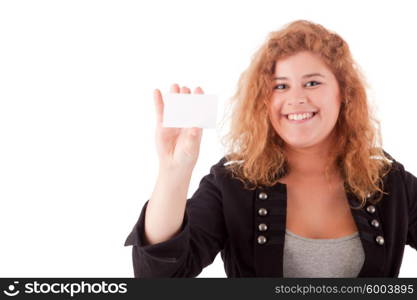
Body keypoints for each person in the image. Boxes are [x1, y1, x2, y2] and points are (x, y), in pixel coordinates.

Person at [124, 20, 417, 277]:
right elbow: (158, 277)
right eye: (280, 86)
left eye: (312, 83)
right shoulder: (232, 183)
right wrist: (174, 170)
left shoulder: (391, 183)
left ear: (344, 94)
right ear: (264, 100)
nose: (296, 98)